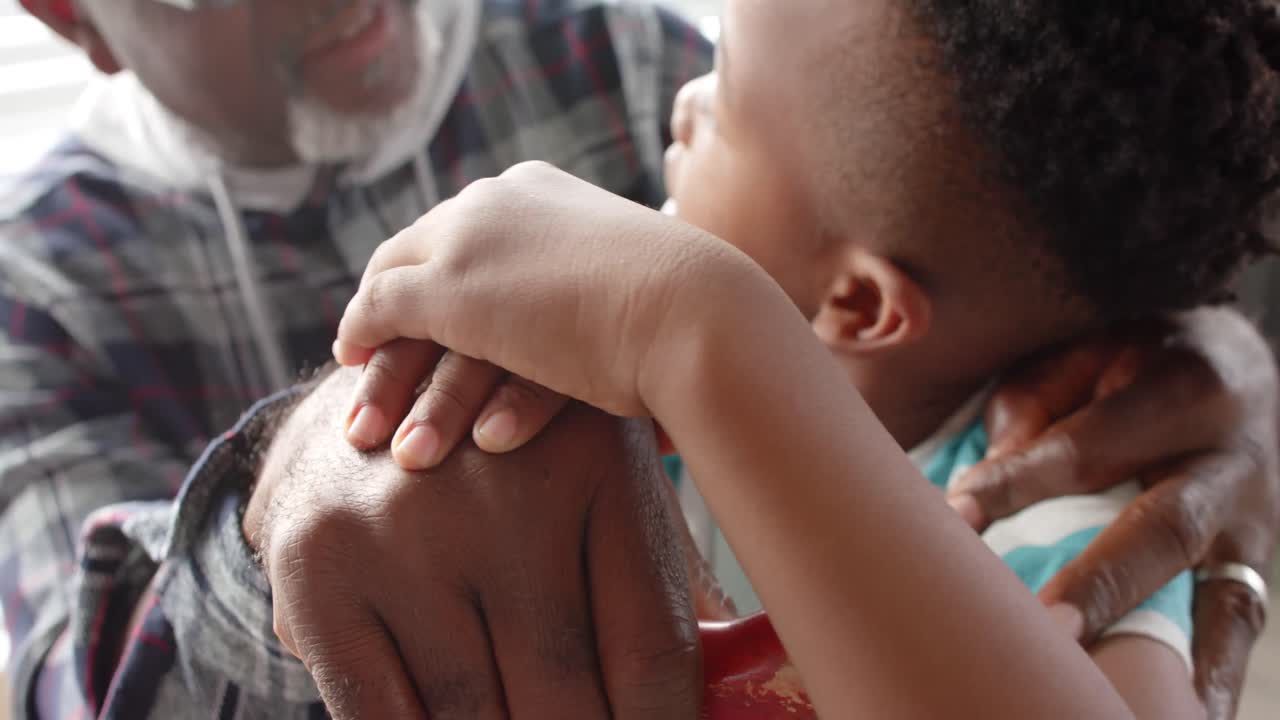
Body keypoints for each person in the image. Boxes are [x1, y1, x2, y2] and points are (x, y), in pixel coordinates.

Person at [0, 0, 1275, 719]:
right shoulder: (37, 292)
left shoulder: (1051, 517)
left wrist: (705, 330)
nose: (678, 105)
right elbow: (80, 687)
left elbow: (1004, 185)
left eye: (713, 99)